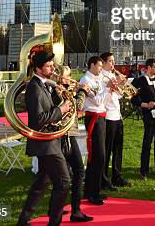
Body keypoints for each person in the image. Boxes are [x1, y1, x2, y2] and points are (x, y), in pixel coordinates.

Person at [17, 51, 72, 226]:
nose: (53, 68)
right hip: (46, 144)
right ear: (38, 68)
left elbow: (51, 108)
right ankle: (54, 222)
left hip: (50, 142)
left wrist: (63, 92)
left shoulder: (44, 84)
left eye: (52, 64)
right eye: (48, 66)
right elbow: (37, 120)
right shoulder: (33, 87)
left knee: (42, 183)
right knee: (63, 183)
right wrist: (61, 110)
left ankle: (23, 220)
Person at [57, 66, 93, 223]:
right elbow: (78, 107)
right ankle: (73, 210)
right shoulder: (59, 91)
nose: (71, 77)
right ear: (60, 77)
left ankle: (63, 209)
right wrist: (82, 92)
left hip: (68, 133)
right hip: (64, 135)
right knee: (75, 171)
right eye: (67, 75)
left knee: (67, 173)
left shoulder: (64, 89)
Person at [80, 56, 118, 204]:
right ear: (92, 65)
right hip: (94, 118)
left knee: (98, 156)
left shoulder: (97, 80)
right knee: (98, 155)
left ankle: (92, 190)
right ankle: (92, 192)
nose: (101, 69)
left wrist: (111, 91)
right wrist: (108, 89)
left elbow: (104, 102)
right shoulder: (85, 81)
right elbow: (96, 101)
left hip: (101, 117)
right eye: (99, 66)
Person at [132, 58, 155, 179]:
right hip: (149, 116)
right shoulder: (140, 80)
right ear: (148, 67)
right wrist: (145, 105)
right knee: (147, 143)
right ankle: (144, 170)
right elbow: (133, 98)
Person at [100, 52, 130, 190]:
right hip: (108, 116)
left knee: (118, 148)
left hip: (117, 115)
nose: (113, 64)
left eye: (113, 61)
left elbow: (119, 95)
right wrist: (112, 85)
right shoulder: (101, 77)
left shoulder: (112, 76)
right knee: (107, 149)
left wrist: (122, 84)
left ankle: (117, 175)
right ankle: (104, 179)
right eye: (111, 61)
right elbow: (102, 96)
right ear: (104, 63)